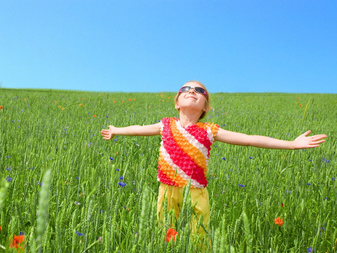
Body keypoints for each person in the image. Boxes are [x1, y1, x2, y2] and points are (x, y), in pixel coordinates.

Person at [101, 80, 327, 240]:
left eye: (200, 90)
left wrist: (291, 143)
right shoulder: (166, 125)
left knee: (199, 235)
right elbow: (139, 129)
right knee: (165, 232)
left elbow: (249, 139)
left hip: (197, 192)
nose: (192, 91)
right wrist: (117, 130)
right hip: (167, 189)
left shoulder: (210, 130)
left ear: (205, 107)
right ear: (177, 102)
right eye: (186, 89)